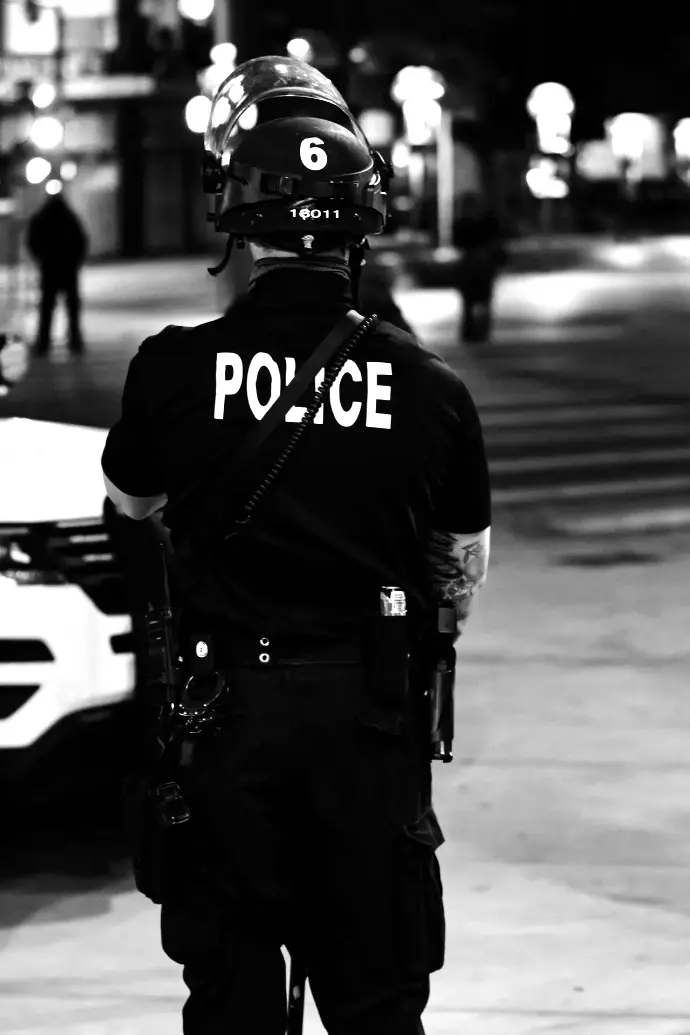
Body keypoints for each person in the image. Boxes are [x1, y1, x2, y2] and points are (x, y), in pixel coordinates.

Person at [101, 55, 491, 1035]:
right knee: (375, 1001)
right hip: (365, 723)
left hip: (222, 718)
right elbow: (458, 573)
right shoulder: (434, 391)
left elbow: (131, 514)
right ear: (365, 220)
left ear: (234, 217)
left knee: (229, 997)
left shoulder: (172, 370)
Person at [26, 191, 87, 355]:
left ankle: (43, 343)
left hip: (50, 269)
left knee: (47, 308)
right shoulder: (70, 218)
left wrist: (41, 258)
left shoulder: (41, 218)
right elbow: (81, 241)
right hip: (68, 269)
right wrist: (75, 261)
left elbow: (32, 241)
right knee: (72, 308)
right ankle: (75, 342)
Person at [452, 191, 505, 343]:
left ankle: (476, 331)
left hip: (478, 263)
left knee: (479, 299)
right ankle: (474, 331)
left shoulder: (483, 222)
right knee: (473, 300)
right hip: (474, 264)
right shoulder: (468, 223)